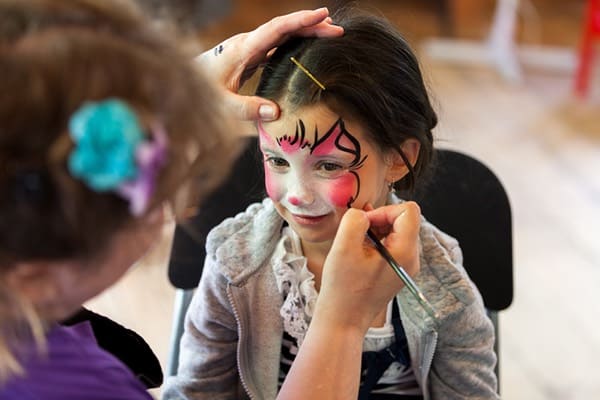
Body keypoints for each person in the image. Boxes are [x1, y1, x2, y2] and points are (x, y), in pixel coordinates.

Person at [0, 1, 418, 399]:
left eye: (328, 166)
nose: (183, 208)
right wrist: (342, 324)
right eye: (160, 194)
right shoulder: (79, 389)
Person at [164, 8, 499, 400]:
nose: (298, 193)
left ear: (396, 158)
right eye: (277, 161)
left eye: (328, 165)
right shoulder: (234, 266)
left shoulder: (441, 283)